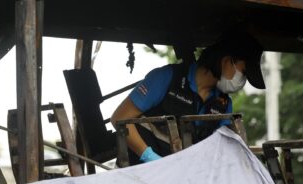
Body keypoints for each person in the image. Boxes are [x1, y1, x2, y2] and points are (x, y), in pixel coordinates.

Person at [111, 30, 264, 165]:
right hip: (140, 177)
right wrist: (150, 158)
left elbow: (224, 148)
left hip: (185, 183)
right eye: (243, 73)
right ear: (226, 61)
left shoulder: (223, 104)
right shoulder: (167, 78)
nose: (242, 81)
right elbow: (119, 119)